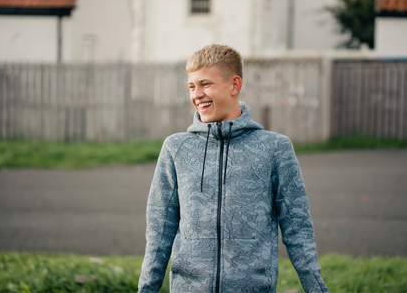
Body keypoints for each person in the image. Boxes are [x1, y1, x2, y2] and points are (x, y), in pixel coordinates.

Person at [138, 44, 329, 293]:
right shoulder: (176, 148)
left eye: (205, 84)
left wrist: (317, 289)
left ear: (234, 85)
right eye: (191, 87)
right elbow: (159, 230)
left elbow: (298, 227)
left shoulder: (274, 148)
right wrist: (147, 289)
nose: (197, 94)